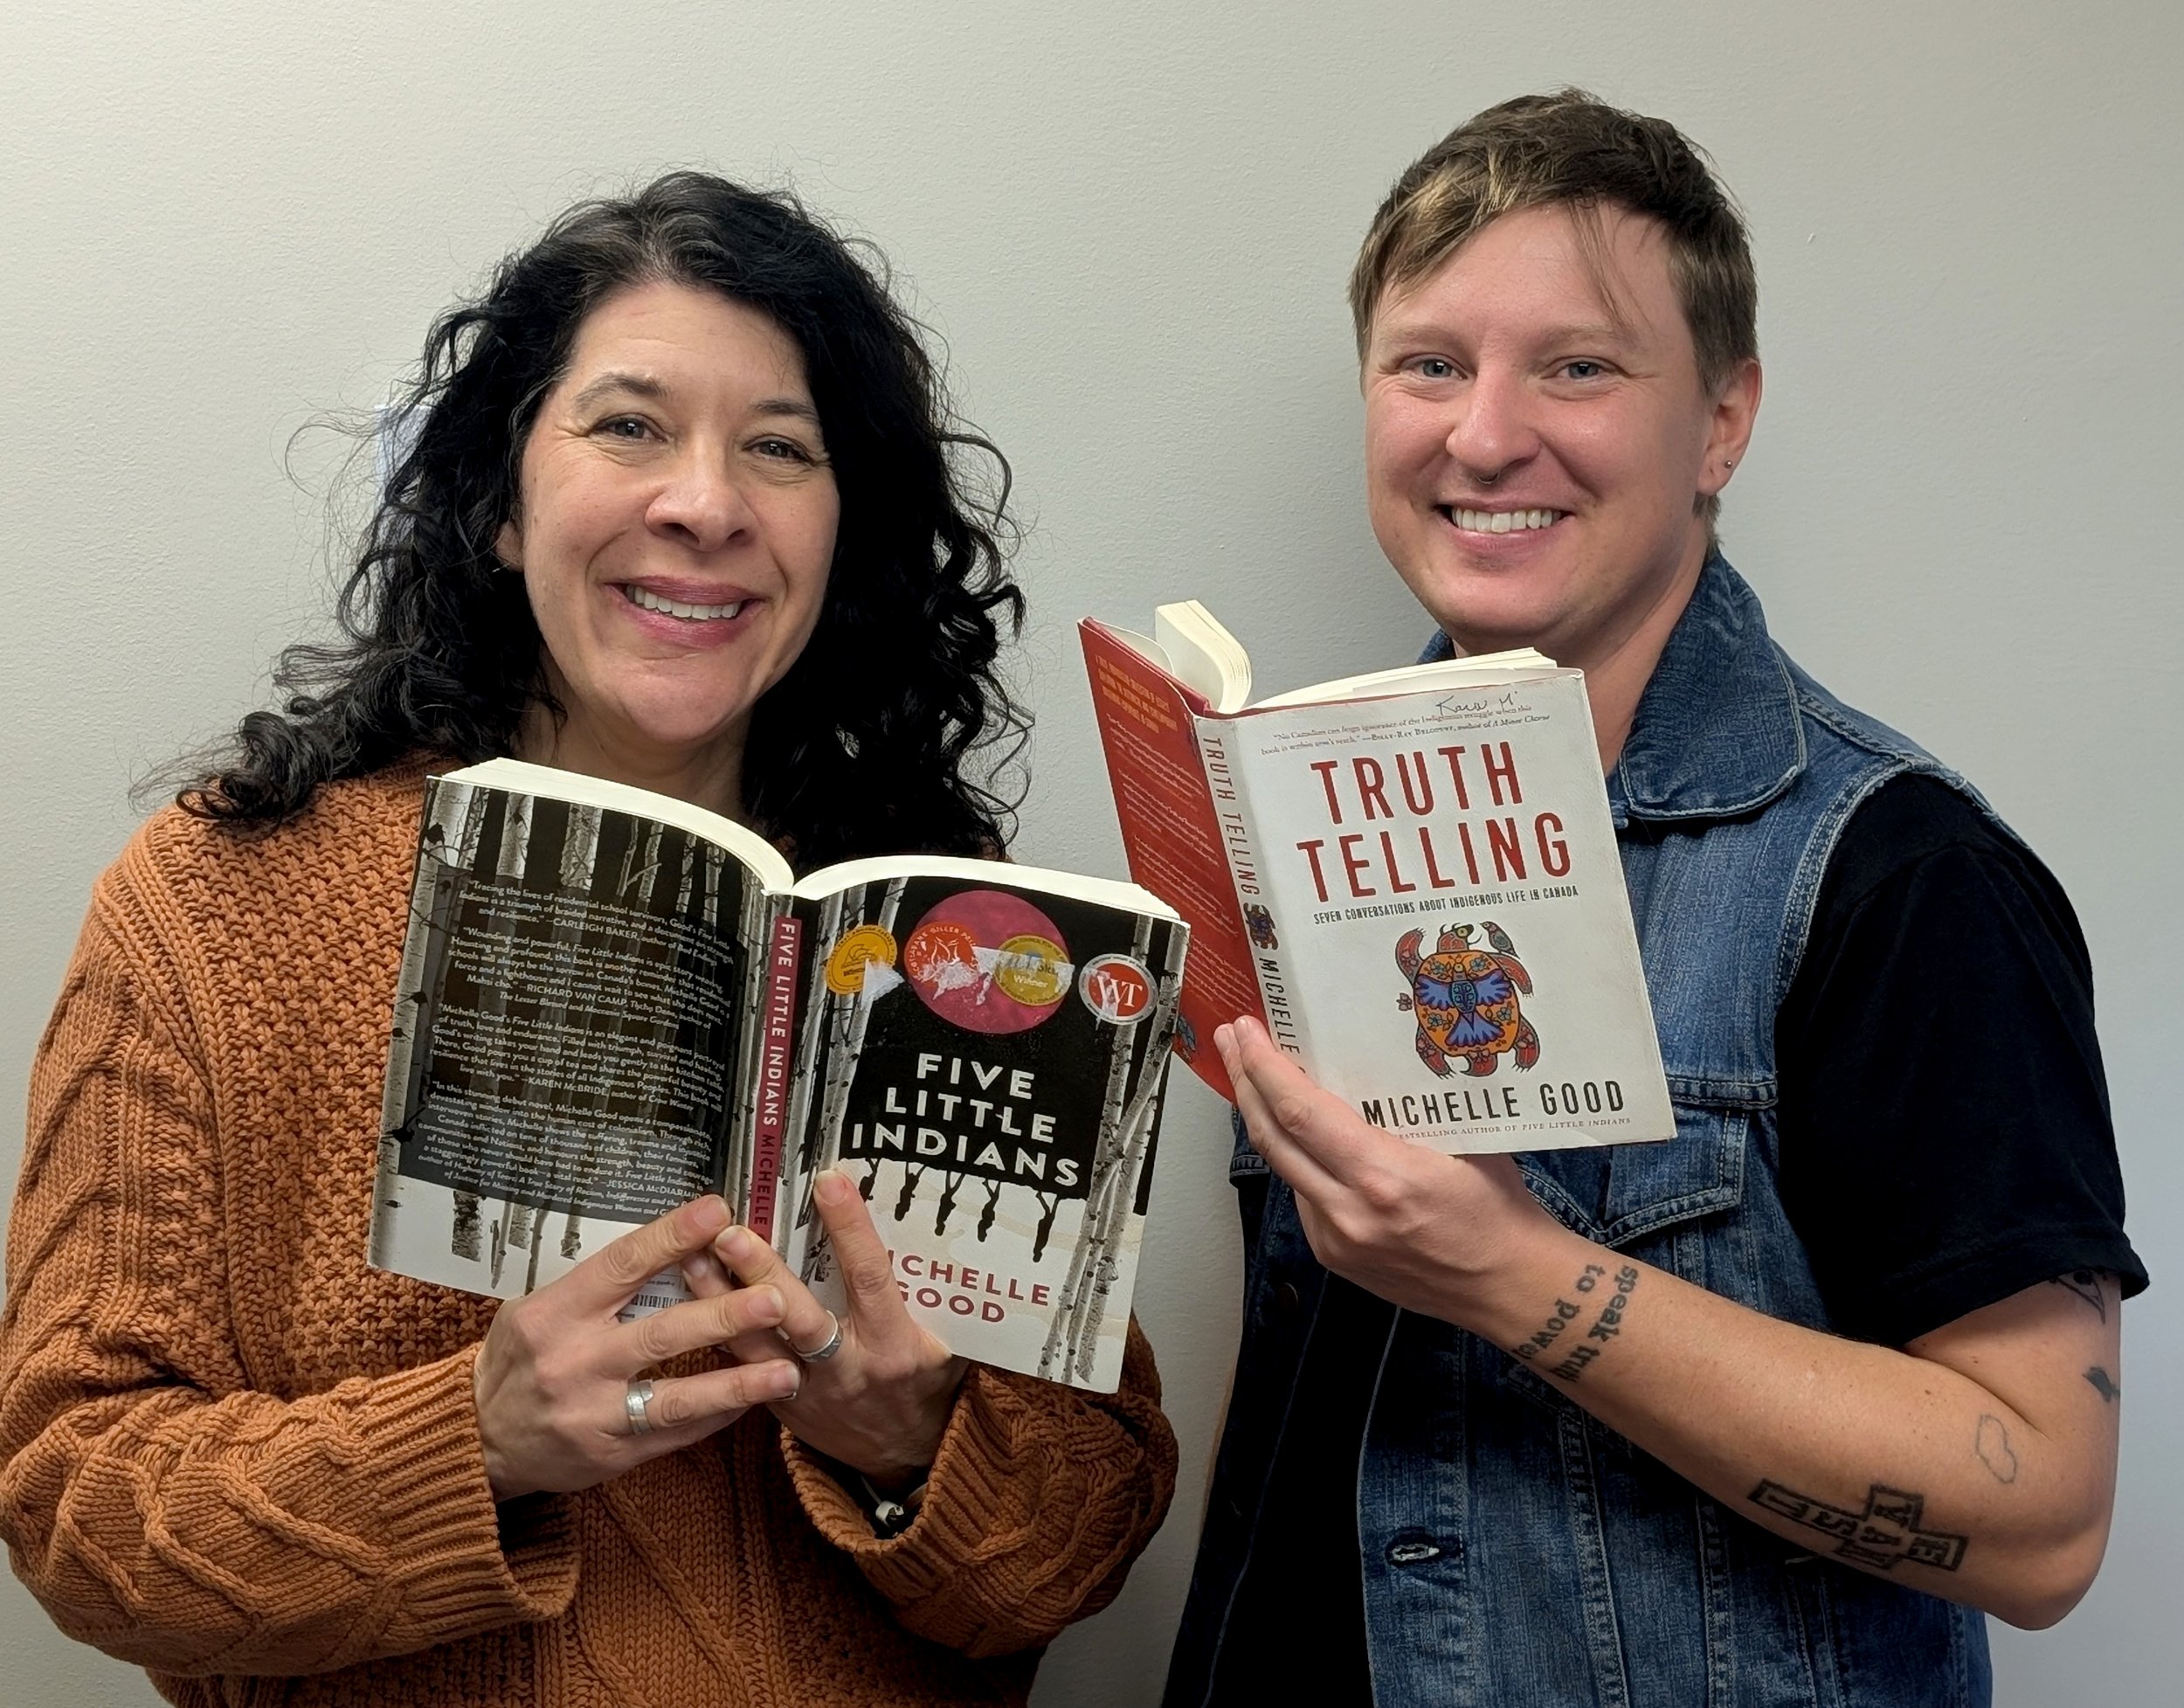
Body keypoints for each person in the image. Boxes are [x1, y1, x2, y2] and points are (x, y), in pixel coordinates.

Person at [1, 172, 1175, 1708]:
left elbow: (1079, 1545)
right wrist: (472, 1441)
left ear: (844, 532)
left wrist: (911, 1445)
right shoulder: (221, 900)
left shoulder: (948, 943)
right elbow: (74, 1506)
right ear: (500, 503)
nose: (706, 504)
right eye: (629, 426)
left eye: (780, 448)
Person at [1164, 91, 2144, 1708]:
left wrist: (1514, 1274)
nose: (1485, 437)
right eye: (1429, 365)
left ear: (1723, 422)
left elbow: (2043, 1520)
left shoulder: (1903, 876)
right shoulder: (1302, 827)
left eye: (1578, 368)